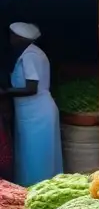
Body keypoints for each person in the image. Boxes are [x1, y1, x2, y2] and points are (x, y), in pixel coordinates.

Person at [4, 22, 62, 185]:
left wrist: (6, 92)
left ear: (20, 38)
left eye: (13, 35)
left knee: (36, 156)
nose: (11, 38)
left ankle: (38, 189)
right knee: (35, 155)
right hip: (34, 112)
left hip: (37, 113)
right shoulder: (32, 53)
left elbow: (31, 87)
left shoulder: (30, 56)